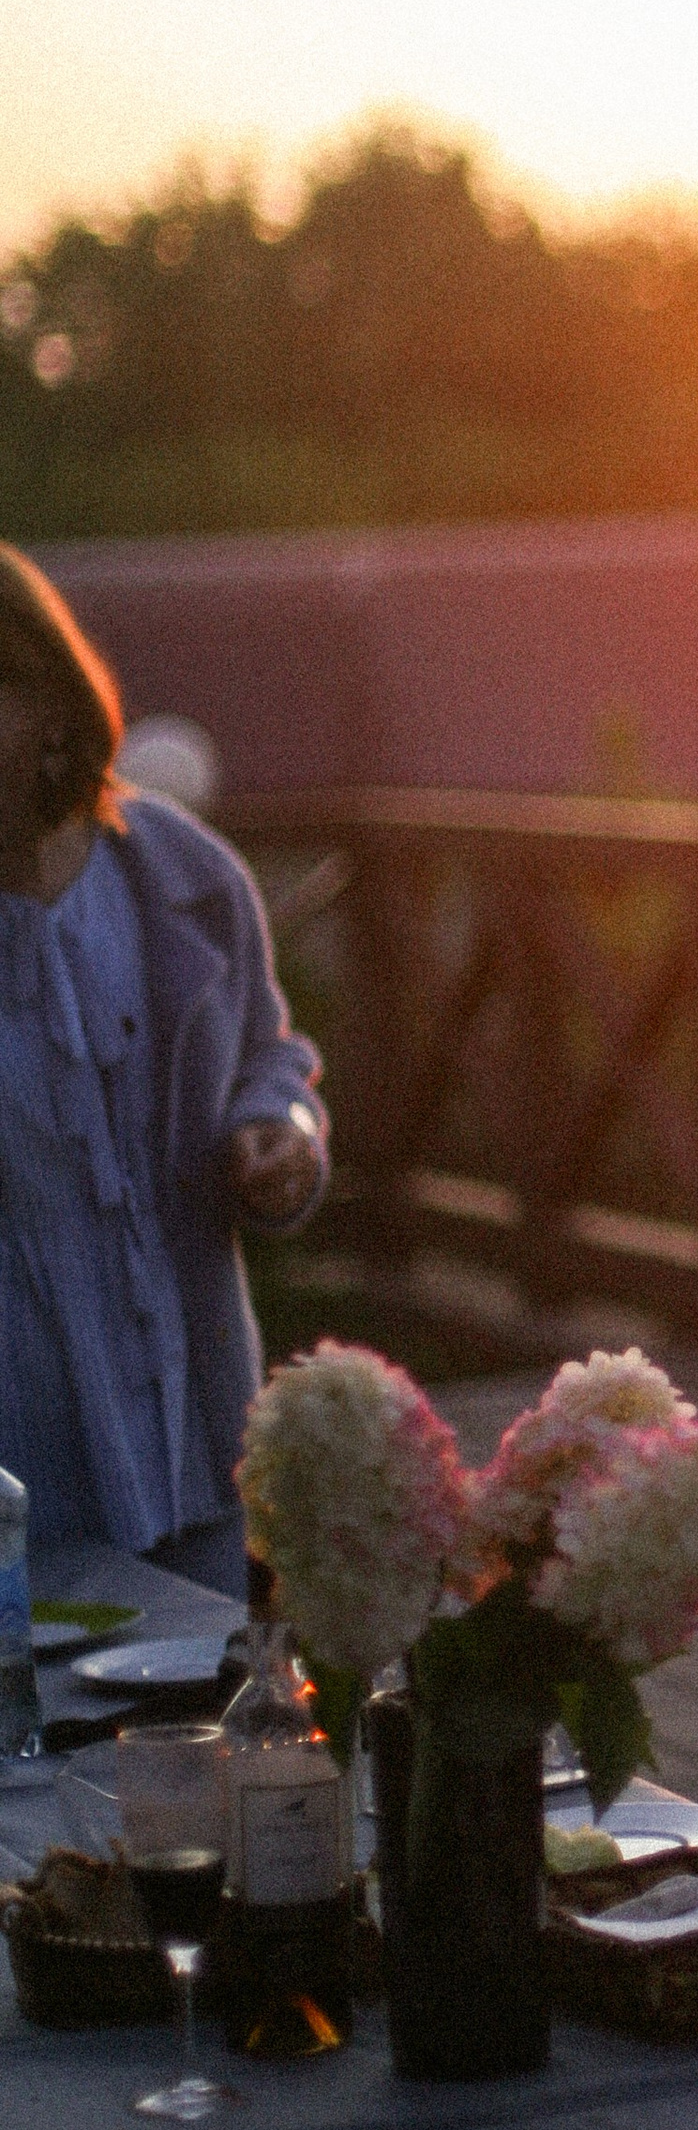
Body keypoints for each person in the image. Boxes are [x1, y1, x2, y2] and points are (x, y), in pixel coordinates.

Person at [0, 550, 326, 1599]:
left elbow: (270, 1056)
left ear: (49, 701)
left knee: (207, 1718)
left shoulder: (175, 871)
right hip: (18, 1471)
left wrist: (278, 1130)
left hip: (193, 1434)